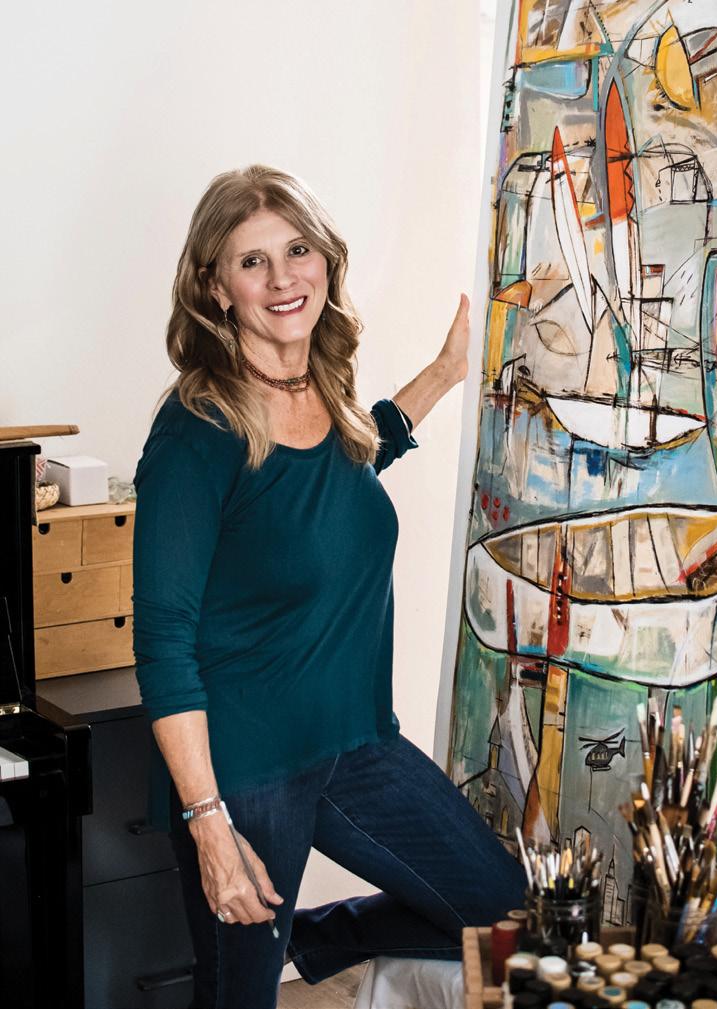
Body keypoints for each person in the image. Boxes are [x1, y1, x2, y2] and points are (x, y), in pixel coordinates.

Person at [132, 164, 527, 1009]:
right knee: (238, 997)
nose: (283, 278)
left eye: (297, 250)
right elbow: (162, 642)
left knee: (503, 915)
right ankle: (257, 949)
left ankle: (308, 939)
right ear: (216, 286)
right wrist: (209, 823)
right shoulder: (197, 430)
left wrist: (445, 370)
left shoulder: (323, 386)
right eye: (252, 261)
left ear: (325, 260)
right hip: (246, 769)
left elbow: (345, 464)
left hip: (356, 744)